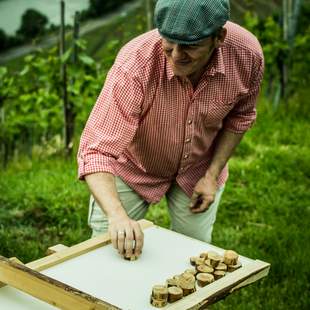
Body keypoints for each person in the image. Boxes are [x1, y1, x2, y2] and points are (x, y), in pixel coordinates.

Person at [77, 0, 264, 259]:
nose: (176, 55)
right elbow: (96, 151)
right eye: (169, 41)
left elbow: (240, 118)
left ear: (219, 37)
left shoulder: (247, 56)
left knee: (194, 255)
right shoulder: (135, 64)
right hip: (132, 167)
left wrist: (212, 175)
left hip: (199, 168)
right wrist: (117, 217)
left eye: (190, 45)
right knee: (107, 250)